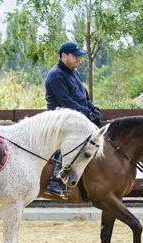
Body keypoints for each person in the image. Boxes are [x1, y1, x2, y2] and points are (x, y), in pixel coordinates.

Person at [44, 41, 102, 198]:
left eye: (79, 56)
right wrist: (87, 114)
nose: (78, 59)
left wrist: (92, 109)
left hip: (76, 116)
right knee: (68, 141)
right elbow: (66, 102)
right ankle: (54, 181)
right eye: (75, 56)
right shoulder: (55, 75)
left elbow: (83, 97)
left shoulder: (73, 73)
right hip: (59, 118)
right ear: (64, 56)